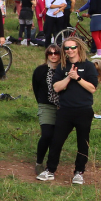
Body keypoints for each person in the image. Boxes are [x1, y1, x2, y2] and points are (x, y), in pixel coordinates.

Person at [38, 38, 98, 185]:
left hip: (84, 110)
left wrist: (77, 78)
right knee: (56, 140)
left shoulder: (89, 66)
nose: (69, 50)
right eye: (66, 48)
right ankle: (50, 170)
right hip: (65, 110)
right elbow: (57, 87)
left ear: (78, 48)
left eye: (72, 47)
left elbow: (92, 88)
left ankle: (79, 172)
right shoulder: (62, 66)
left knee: (83, 142)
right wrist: (68, 77)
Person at [32, 45, 63, 175]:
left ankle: (52, 164)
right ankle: (39, 162)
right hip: (46, 105)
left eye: (56, 53)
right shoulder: (40, 70)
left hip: (63, 107)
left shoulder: (64, 70)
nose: (53, 55)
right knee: (46, 135)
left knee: (57, 138)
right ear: (47, 55)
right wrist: (41, 102)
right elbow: (36, 88)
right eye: (50, 53)